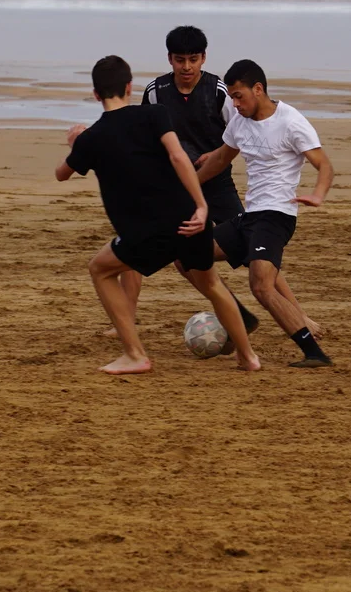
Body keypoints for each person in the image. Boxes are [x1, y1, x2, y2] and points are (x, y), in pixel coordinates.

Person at [101, 25, 322, 342]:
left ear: (203, 58)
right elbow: (148, 136)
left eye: (193, 59)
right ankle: (127, 319)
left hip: (217, 184)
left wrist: (217, 154)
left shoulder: (219, 92)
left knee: (256, 252)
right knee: (136, 244)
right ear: (170, 59)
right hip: (177, 187)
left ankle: (300, 316)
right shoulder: (156, 91)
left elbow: (243, 129)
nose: (186, 67)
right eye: (180, 60)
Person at [56, 55, 261, 374]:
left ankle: (135, 354)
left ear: (96, 94)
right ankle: (248, 357)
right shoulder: (155, 114)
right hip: (188, 218)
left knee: (100, 269)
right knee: (211, 284)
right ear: (129, 87)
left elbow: (61, 174)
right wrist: (201, 206)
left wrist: (75, 144)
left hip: (146, 231)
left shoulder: (92, 138)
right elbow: (179, 157)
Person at [196, 60, 335, 368]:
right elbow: (220, 159)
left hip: (277, 215)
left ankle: (314, 353)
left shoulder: (291, 121)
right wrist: (189, 185)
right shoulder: (239, 122)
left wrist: (318, 195)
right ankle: (239, 314)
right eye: (232, 97)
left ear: (257, 89)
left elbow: (325, 165)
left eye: (239, 96)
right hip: (250, 217)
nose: (235, 104)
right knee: (189, 255)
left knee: (261, 284)